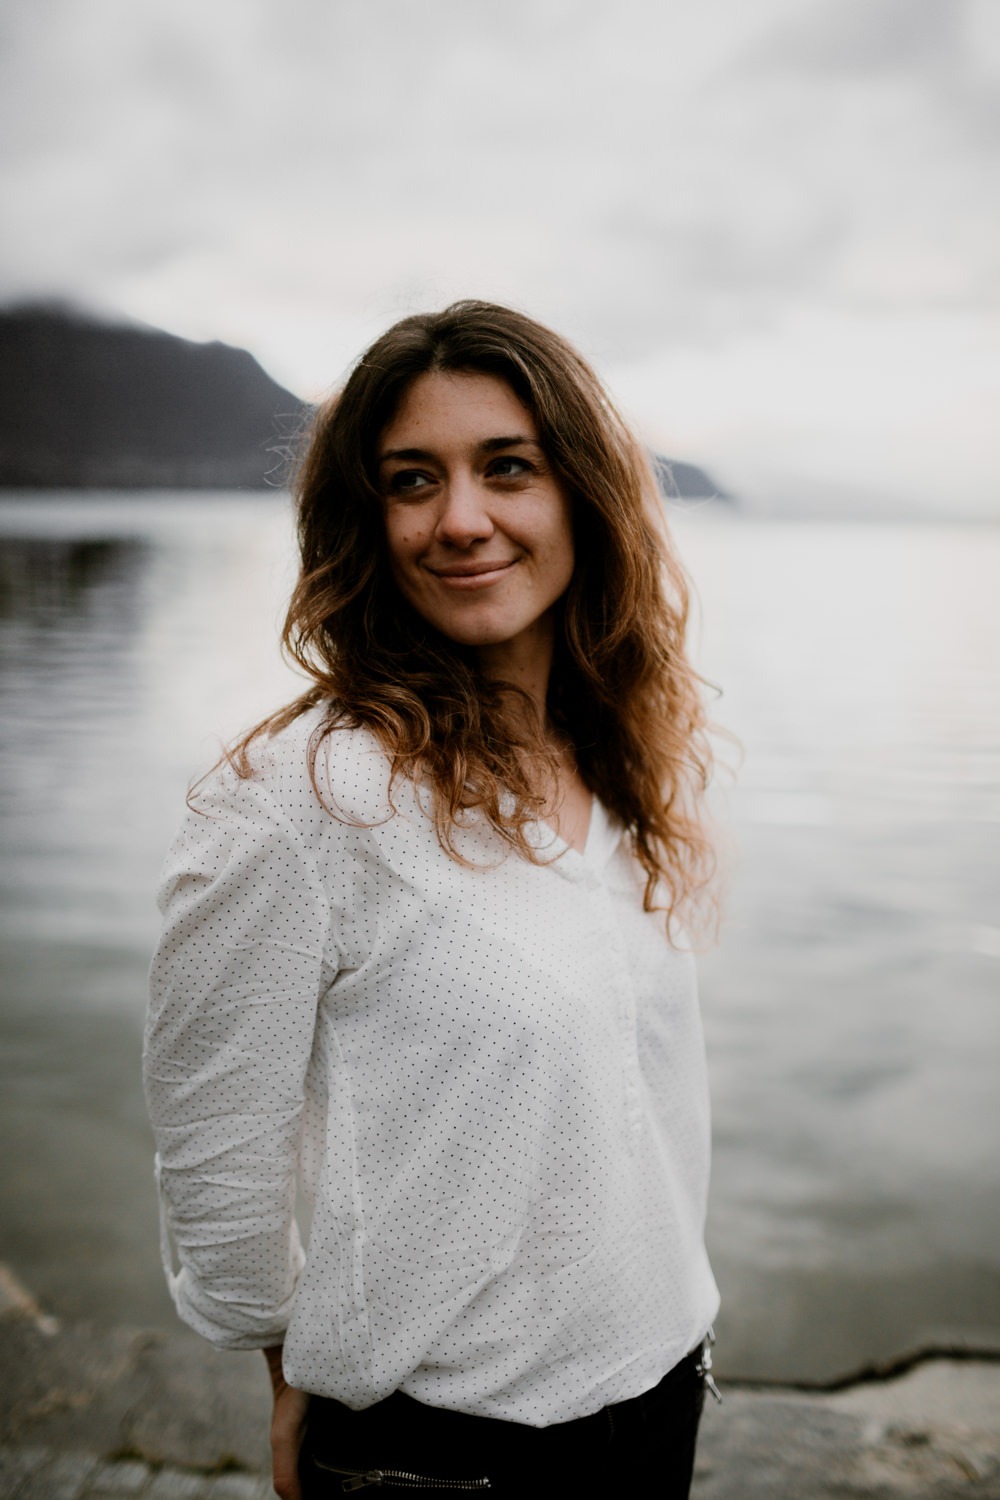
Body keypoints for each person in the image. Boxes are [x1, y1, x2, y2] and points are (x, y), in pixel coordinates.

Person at [144, 300, 721, 1498]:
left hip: (662, 1387)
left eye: (506, 467)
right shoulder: (301, 802)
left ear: (583, 495)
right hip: (444, 1455)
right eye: (413, 480)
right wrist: (287, 1371)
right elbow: (217, 1154)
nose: (461, 520)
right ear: (366, 519)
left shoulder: (609, 756)